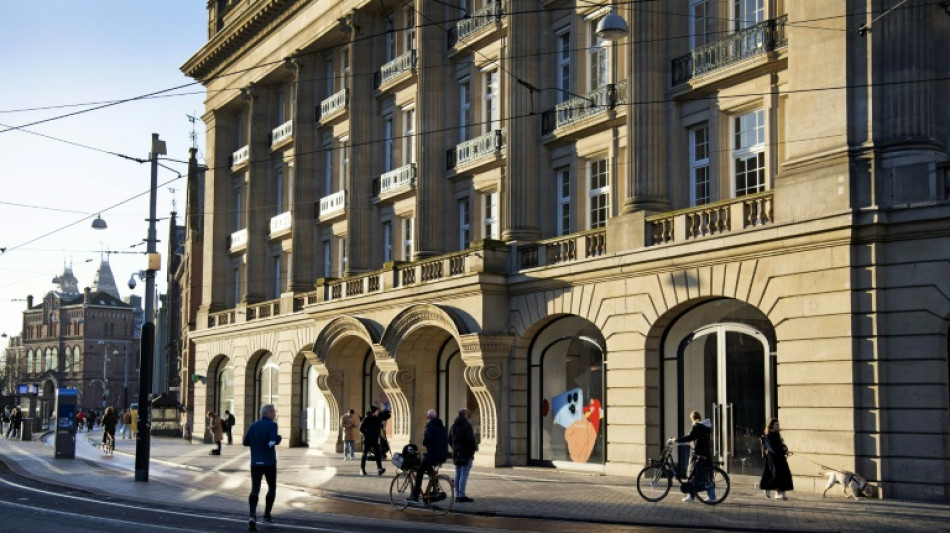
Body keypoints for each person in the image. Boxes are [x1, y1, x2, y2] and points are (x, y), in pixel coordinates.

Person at [244, 404, 281, 531]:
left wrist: (256, 443)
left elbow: (245, 442)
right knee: (271, 487)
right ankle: (266, 515)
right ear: (267, 413)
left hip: (255, 463)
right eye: (273, 412)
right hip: (269, 462)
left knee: (255, 490)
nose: (275, 414)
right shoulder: (272, 425)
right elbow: (271, 442)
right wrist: (277, 439)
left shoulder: (253, 425)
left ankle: (252, 516)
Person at [672, 410, 716, 503]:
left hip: (697, 455)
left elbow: (690, 437)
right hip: (705, 453)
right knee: (706, 476)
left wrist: (677, 440)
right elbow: (696, 439)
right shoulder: (704, 427)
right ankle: (711, 496)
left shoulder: (696, 426)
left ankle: (692, 496)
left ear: (692, 418)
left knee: (692, 474)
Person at [410, 409, 448, 503]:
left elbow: (427, 440)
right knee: (430, 471)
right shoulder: (442, 427)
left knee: (420, 471)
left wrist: (425, 444)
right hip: (442, 456)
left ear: (428, 417)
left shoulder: (429, 425)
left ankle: (415, 496)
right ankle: (432, 492)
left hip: (433, 455)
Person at [760, 418, 794, 500]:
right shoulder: (768, 436)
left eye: (778, 424)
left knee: (785, 475)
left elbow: (781, 444)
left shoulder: (777, 434)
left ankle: (781, 492)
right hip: (773, 458)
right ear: (771, 425)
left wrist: (785, 448)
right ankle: (770, 489)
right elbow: (772, 448)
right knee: (776, 474)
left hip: (780, 458)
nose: (778, 426)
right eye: (776, 424)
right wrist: (783, 452)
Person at [448, 407, 477, 503]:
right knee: (464, 474)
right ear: (465, 415)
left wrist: (455, 448)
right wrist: (472, 450)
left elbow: (449, 439)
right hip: (466, 454)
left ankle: (457, 495)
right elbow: (471, 440)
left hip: (457, 454)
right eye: (467, 414)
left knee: (457, 474)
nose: (468, 416)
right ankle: (462, 495)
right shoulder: (467, 426)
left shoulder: (453, 426)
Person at [359, 405, 386, 476]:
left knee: (378, 454)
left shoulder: (377, 419)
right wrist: (366, 434)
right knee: (364, 454)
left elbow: (384, 417)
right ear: (373, 412)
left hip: (375, 440)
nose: (378, 412)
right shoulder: (367, 419)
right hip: (368, 440)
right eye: (377, 411)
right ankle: (362, 469)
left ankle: (379, 469)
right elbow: (361, 429)